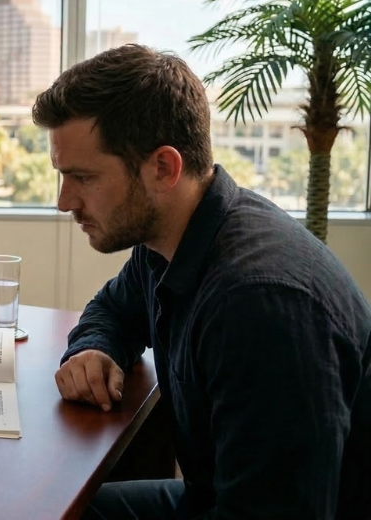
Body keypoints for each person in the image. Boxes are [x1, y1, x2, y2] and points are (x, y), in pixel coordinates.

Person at [32, 44, 370, 519]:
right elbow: (112, 309)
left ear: (164, 168)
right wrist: (95, 348)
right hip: (210, 500)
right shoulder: (168, 242)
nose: (65, 201)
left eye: (82, 177)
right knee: (49, 509)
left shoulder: (260, 303)